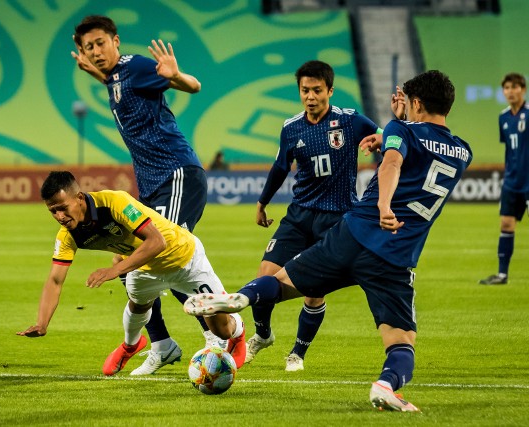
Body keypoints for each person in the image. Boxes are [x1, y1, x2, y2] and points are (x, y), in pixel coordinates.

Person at [185, 70, 472, 411]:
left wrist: (383, 198)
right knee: (401, 342)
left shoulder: (398, 129)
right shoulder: (461, 152)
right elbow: (414, 154)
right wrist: (398, 129)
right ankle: (386, 385)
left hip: (353, 234)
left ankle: (242, 299)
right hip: (395, 256)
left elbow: (393, 162)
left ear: (418, 103)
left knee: (281, 282)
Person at [70, 15, 216, 374]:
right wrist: (95, 72)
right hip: (152, 184)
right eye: (88, 47)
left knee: (168, 256)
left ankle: (217, 339)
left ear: (115, 41)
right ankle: (162, 344)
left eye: (100, 43)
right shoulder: (113, 77)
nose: (95, 51)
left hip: (176, 172)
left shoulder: (134, 66)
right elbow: (113, 81)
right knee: (128, 259)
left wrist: (176, 77)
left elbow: (194, 86)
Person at [17, 171, 246, 376]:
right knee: (138, 304)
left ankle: (238, 326)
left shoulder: (115, 202)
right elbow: (55, 280)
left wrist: (113, 270)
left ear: (78, 198)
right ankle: (131, 345)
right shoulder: (67, 235)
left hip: (185, 258)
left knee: (222, 330)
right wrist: (42, 322)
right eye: (52, 211)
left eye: (62, 208)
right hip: (144, 268)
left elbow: (157, 242)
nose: (59, 216)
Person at [246, 60, 381, 371]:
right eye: (305, 90)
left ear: (330, 91)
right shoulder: (291, 127)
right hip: (299, 216)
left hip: (336, 219)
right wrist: (262, 202)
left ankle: (297, 354)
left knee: (313, 289)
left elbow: (389, 139)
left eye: (317, 90)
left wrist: (398, 122)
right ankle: (263, 334)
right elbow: (281, 167)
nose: (310, 96)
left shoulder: (350, 121)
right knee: (263, 278)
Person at [479, 73, 528, 285]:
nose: (509, 91)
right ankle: (502, 274)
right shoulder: (504, 117)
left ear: (523, 90)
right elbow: (509, 149)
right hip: (512, 182)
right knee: (506, 224)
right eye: (506, 87)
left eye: (514, 87)